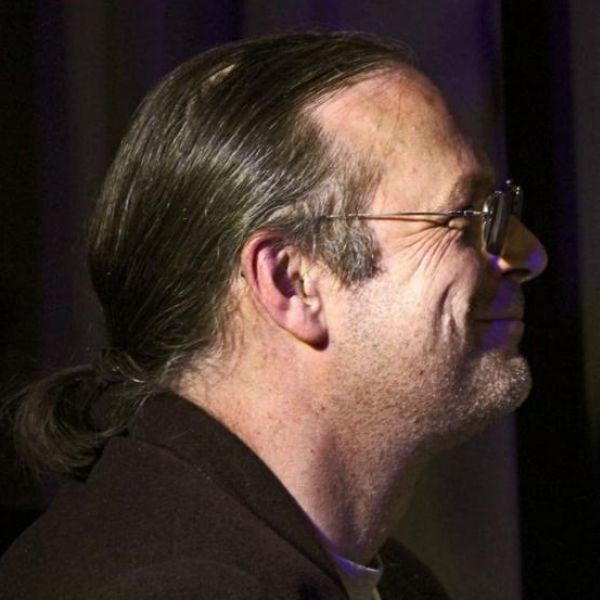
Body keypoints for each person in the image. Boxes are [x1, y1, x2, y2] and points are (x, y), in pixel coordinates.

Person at [0, 31, 546, 599]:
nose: (530, 254)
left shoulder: (380, 578)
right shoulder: (174, 587)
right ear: (293, 282)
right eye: (465, 215)